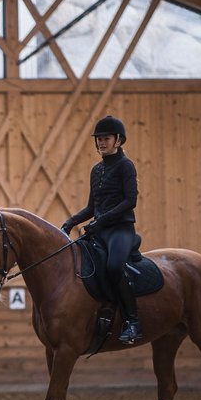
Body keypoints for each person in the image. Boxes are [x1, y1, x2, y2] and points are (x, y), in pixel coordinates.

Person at [61, 115, 142, 344]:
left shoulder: (126, 166)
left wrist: (102, 220)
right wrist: (70, 222)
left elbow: (130, 201)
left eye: (105, 138)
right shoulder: (96, 170)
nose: (101, 143)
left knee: (114, 267)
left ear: (118, 140)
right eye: (98, 139)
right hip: (100, 230)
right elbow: (91, 207)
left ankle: (133, 322)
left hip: (121, 230)